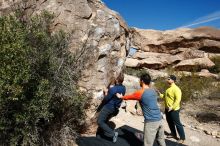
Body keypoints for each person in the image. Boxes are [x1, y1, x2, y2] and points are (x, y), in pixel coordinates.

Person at [117, 73, 166, 146]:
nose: (139, 82)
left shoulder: (140, 92)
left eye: (140, 80)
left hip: (151, 122)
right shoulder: (152, 91)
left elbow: (129, 96)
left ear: (142, 81)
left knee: (147, 144)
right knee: (161, 140)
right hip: (159, 119)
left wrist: (121, 97)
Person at [97, 73, 126, 143]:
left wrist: (106, 92)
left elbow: (106, 99)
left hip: (108, 107)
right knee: (104, 121)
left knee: (100, 121)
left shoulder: (114, 89)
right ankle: (99, 135)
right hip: (114, 108)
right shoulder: (123, 88)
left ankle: (113, 133)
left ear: (116, 79)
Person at [159, 75, 185, 144]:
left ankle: (182, 138)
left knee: (177, 123)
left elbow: (178, 100)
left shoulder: (176, 89)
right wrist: (160, 95)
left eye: (169, 79)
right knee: (169, 122)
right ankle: (173, 134)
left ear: (173, 80)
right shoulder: (168, 89)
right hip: (167, 109)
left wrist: (172, 107)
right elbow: (165, 97)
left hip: (174, 110)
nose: (167, 80)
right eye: (167, 78)